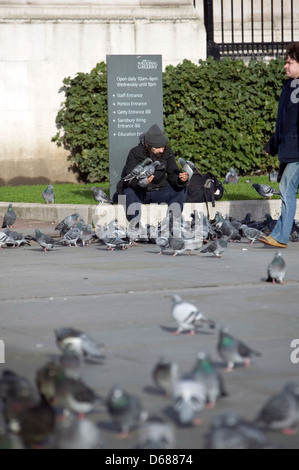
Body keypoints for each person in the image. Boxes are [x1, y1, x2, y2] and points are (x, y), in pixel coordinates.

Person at [259, 42, 299, 248]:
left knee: (286, 190)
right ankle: (278, 233)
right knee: (286, 190)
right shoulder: (290, 86)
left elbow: (291, 124)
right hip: (288, 149)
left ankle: (281, 236)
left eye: (290, 62)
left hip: (295, 151)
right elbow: (283, 123)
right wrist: (272, 145)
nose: (285, 66)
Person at [118, 124, 189, 224]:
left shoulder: (167, 152)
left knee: (182, 190)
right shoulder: (134, 153)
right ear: (148, 145)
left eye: (163, 147)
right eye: (158, 148)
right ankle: (135, 224)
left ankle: (172, 221)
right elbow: (129, 178)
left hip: (160, 190)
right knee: (129, 192)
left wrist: (180, 179)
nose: (162, 150)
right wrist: (142, 183)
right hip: (141, 192)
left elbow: (173, 172)